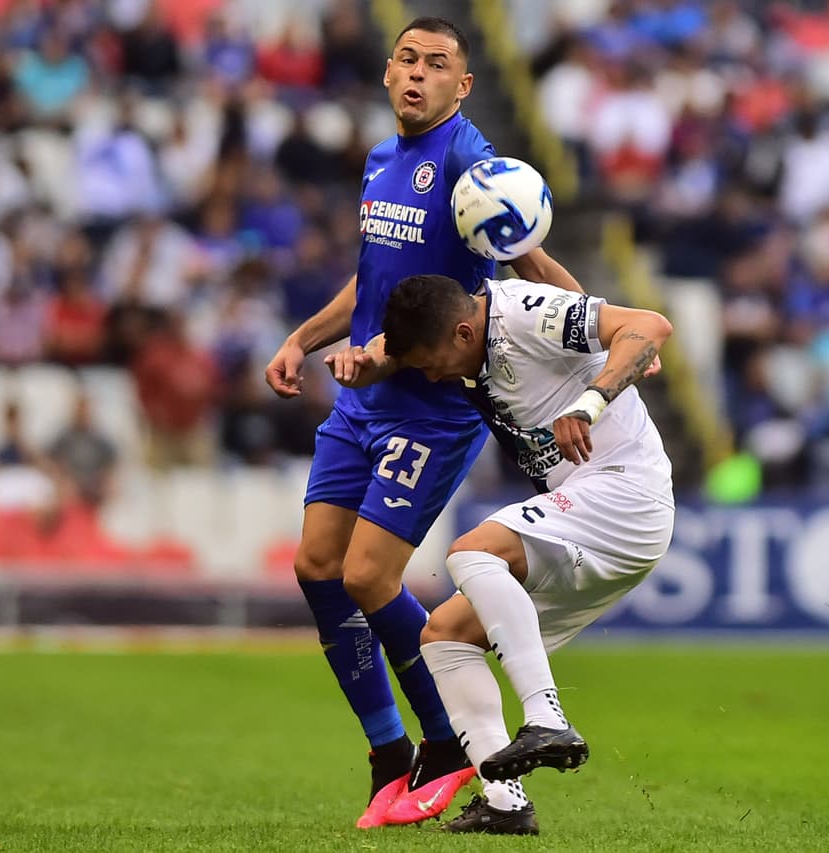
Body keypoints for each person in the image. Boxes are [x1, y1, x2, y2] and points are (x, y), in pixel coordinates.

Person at [264, 16, 592, 829]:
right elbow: (373, 277)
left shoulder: (468, 162)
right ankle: (386, 745)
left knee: (369, 577)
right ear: (386, 73)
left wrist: (594, 321)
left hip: (433, 406)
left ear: (463, 84)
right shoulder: (383, 161)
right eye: (406, 59)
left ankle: (444, 736)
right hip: (359, 399)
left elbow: (527, 255)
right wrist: (304, 338)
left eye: (436, 64)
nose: (417, 74)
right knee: (315, 564)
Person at [325, 274, 676, 834]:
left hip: (623, 495)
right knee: (443, 637)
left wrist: (590, 402)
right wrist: (364, 358)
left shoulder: (521, 314)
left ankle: (545, 717)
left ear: (463, 332)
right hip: (590, 521)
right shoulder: (470, 335)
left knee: (472, 552)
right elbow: (569, 302)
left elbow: (649, 326)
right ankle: (504, 803)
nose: (431, 374)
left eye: (431, 361)